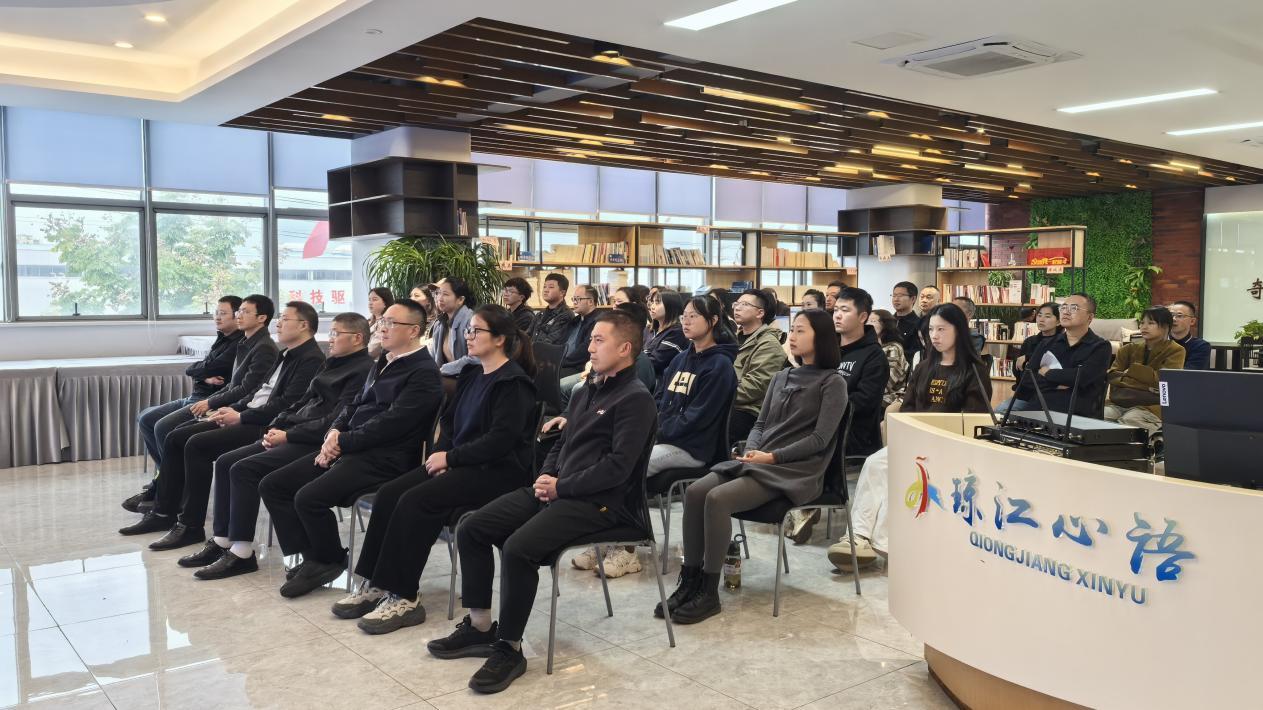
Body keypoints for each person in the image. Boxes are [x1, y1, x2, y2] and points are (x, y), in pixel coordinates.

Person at [428, 310, 656, 695]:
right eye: (591, 339)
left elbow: (618, 469)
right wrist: (545, 479)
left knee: (518, 548)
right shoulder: (586, 389)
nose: (590, 346)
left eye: (599, 340)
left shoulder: (635, 399)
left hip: (603, 504)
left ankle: (509, 648)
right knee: (473, 527)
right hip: (560, 490)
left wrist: (561, 487)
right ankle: (481, 626)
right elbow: (560, 445)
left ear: (625, 348)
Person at [331, 305, 539, 632]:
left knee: (416, 501)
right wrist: (442, 453)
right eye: (468, 330)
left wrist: (451, 459)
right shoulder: (472, 374)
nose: (468, 336)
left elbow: (500, 441)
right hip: (461, 462)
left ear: (499, 339)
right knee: (389, 494)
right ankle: (377, 583)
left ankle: (404, 596)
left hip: (496, 471)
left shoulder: (514, 383)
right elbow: (450, 424)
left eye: (476, 331)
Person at [659, 309, 847, 625]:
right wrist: (752, 450)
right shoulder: (781, 377)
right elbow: (760, 423)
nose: (793, 337)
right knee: (695, 492)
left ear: (822, 338)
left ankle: (709, 590)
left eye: (801, 331)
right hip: (759, 460)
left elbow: (819, 439)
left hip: (794, 470)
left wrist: (772, 457)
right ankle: (689, 579)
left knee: (718, 499)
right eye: (793, 330)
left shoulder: (833, 383)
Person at [260, 299, 443, 598]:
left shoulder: (424, 372)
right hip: (352, 447)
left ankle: (328, 560)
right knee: (274, 485)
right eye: (382, 322)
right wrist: (334, 432)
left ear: (413, 331)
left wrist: (341, 442)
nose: (382, 328)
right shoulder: (384, 360)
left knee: (308, 498)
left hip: (385, 458)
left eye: (390, 323)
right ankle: (314, 558)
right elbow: (354, 405)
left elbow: (391, 424)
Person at [187, 312, 376, 580]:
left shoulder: (362, 370)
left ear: (357, 338)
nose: (331, 339)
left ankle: (243, 552)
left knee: (245, 469)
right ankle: (223, 540)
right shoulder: (331, 362)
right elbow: (301, 402)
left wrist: (288, 435)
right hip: (293, 432)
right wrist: (277, 426)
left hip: (314, 442)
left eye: (336, 333)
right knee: (228, 461)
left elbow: (334, 421)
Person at [143, 301, 327, 552]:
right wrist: (232, 409)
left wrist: (241, 416)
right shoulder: (286, 353)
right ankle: (167, 512)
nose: (279, 324)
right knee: (176, 437)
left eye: (285, 319)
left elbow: (286, 404)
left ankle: (190, 524)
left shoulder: (310, 359)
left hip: (263, 424)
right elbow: (257, 391)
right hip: (250, 415)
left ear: (304, 325)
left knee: (195, 444)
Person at [828, 303, 991, 571]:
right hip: (915, 441)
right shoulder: (925, 367)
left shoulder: (974, 370)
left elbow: (973, 418)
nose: (934, 336)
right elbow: (908, 409)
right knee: (875, 463)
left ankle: (882, 544)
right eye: (931, 330)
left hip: (949, 448)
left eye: (942, 329)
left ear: (959, 331)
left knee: (906, 471)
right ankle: (857, 537)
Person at [119, 295, 279, 536]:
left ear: (262, 318)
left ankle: (177, 515)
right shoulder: (247, 343)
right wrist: (213, 401)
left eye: (244, 311)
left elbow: (250, 390)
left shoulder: (264, 347)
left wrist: (214, 404)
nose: (238, 315)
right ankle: (165, 506)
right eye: (238, 311)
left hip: (245, 416)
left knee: (180, 437)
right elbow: (223, 380)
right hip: (227, 406)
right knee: (167, 430)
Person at [784, 286, 885, 546]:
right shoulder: (827, 350)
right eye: (836, 309)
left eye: (845, 310)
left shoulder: (874, 356)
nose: (837, 315)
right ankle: (792, 498)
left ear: (863, 316)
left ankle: (807, 502)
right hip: (816, 425)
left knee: (811, 442)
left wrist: (825, 411)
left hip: (853, 432)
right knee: (783, 435)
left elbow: (864, 402)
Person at [127, 295, 243, 513]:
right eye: (216, 312)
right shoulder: (222, 338)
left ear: (237, 316)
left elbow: (207, 368)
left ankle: (169, 487)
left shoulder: (238, 344)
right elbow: (195, 368)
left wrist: (202, 373)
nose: (217, 317)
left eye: (223, 313)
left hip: (208, 401)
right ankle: (165, 477)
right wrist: (204, 376)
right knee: (146, 418)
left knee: (162, 426)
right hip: (195, 395)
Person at [646, 296, 738, 480]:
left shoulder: (720, 365)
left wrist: (660, 431)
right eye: (684, 316)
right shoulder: (680, 359)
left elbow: (698, 417)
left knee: (634, 463)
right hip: (666, 437)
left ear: (713, 320)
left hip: (692, 447)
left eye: (693, 316)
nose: (686, 322)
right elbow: (659, 398)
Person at [1000, 294, 1112, 417]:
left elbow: (1082, 377)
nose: (1066, 312)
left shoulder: (1101, 347)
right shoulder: (1047, 343)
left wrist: (1048, 373)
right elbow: (1027, 378)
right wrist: (1060, 383)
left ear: (1089, 317)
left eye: (1073, 308)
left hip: (1076, 415)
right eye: (1063, 308)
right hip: (1037, 411)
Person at [1103, 306, 1185, 435]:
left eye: (1151, 323)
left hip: (1152, 406)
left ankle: (1157, 440)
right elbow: (1112, 376)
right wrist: (1146, 384)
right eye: (1142, 323)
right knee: (1100, 416)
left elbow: (1163, 381)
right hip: (1120, 401)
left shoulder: (1176, 350)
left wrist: (1131, 371)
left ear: (1165, 327)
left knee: (1130, 420)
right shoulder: (1128, 349)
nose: (1144, 327)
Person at [730, 289, 787, 443]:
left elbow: (754, 388)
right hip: (730, 404)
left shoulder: (769, 344)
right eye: (736, 303)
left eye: (744, 304)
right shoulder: (734, 339)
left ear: (760, 313)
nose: (737, 307)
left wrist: (718, 393)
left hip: (748, 413)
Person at [432, 277, 477, 376]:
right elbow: (433, 357)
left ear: (460, 299)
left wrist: (443, 370)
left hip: (469, 378)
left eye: (445, 294)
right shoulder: (439, 323)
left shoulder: (472, 320)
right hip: (446, 377)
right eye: (438, 293)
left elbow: (477, 357)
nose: (439, 298)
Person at [644, 289, 688, 386]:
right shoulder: (649, 329)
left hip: (661, 385)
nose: (652, 306)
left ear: (671, 306)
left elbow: (655, 362)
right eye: (652, 302)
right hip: (645, 380)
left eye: (657, 302)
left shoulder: (677, 332)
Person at [1011, 302, 1061, 385]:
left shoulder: (1062, 342)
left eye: (1047, 316)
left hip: (1052, 389)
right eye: (1039, 315)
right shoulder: (1029, 341)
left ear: (1058, 321)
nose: (1041, 319)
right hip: (1027, 388)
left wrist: (1029, 358)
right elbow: (1018, 370)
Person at [868, 309, 909, 409]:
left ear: (885, 325)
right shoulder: (869, 347)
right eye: (866, 321)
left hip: (887, 399)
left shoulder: (893, 348)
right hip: (869, 394)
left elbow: (887, 382)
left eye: (872, 321)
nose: (868, 324)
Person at [559, 284, 599, 377]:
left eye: (578, 299)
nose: (574, 302)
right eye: (574, 299)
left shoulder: (597, 322)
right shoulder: (575, 320)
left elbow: (584, 351)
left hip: (579, 367)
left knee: (548, 377)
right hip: (563, 363)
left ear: (590, 301)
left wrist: (561, 362)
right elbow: (561, 341)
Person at [528, 273, 576, 346]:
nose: (546, 290)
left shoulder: (566, 315)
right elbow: (526, 336)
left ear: (562, 293)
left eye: (551, 287)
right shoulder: (540, 314)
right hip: (533, 351)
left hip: (547, 352)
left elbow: (550, 343)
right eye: (544, 287)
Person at [1169, 301, 1210, 370]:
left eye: (1179, 316)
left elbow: (1189, 373)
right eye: (1171, 315)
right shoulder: (1160, 342)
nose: (1173, 319)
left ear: (1192, 321)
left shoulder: (1200, 346)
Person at [891, 281, 921, 363]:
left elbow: (916, 353)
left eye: (900, 296)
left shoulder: (919, 324)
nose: (896, 299)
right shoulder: (887, 321)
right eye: (894, 295)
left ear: (913, 299)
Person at [366, 287, 394, 359]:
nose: (370, 303)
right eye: (369, 300)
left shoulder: (387, 323)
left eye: (374, 299)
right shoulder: (368, 321)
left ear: (385, 303)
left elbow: (372, 350)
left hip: (374, 360)